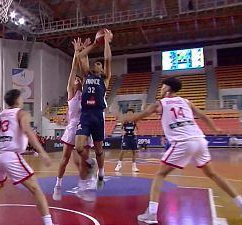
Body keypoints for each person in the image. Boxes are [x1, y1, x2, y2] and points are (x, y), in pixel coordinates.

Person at [120, 77, 242, 224]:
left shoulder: (160, 103)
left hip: (183, 142)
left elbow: (138, 117)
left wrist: (125, 117)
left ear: (167, 88)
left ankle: (151, 214)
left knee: (160, 175)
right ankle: (240, 203)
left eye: (162, 86)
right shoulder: (186, 101)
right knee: (213, 174)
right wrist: (215, 128)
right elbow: (203, 116)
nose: (161, 88)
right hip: (199, 140)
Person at [0, 89, 54, 225]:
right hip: (9, 155)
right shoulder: (21, 113)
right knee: (35, 188)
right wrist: (43, 153)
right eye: (21, 97)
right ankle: (49, 223)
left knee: (0, 184)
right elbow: (28, 132)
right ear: (17, 100)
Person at [53, 38, 93, 201]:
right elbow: (74, 68)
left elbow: (87, 72)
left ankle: (82, 188)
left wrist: (86, 52)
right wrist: (77, 52)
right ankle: (58, 185)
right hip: (72, 127)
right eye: (75, 79)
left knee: (84, 162)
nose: (76, 79)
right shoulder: (71, 92)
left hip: (86, 127)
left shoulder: (87, 93)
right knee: (65, 158)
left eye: (79, 79)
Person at [74, 29, 113, 199]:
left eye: (99, 64)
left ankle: (101, 173)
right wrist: (94, 45)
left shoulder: (105, 79)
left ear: (102, 69)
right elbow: (80, 57)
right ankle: (90, 163)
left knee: (99, 150)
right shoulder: (86, 75)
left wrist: (106, 44)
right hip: (85, 114)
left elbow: (108, 59)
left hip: (98, 114)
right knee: (79, 147)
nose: (96, 65)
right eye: (95, 64)